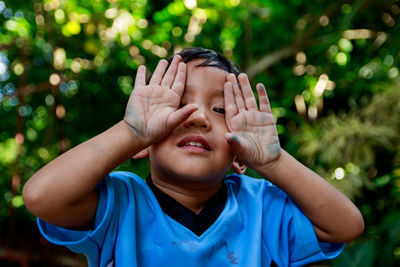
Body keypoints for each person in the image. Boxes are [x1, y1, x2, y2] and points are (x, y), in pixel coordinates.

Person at [23, 47, 364, 267]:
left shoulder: (261, 207)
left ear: (240, 156)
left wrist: (273, 162)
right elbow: (41, 196)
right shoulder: (121, 203)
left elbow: (345, 226)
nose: (198, 117)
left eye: (219, 109)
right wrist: (130, 132)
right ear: (142, 146)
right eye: (175, 105)